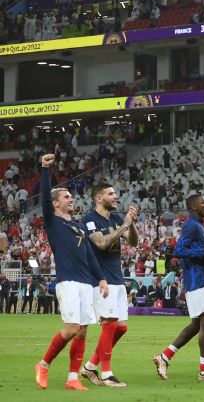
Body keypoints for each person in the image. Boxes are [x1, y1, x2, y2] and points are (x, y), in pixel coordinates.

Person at [35, 153, 109, 391]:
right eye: (66, 197)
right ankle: (44, 364)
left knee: (83, 330)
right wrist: (45, 171)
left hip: (87, 283)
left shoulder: (77, 226)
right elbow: (45, 198)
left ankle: (72, 378)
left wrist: (101, 279)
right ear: (56, 203)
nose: (71, 199)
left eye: (71, 196)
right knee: (71, 329)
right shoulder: (52, 221)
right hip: (68, 281)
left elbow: (89, 256)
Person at [153, 194, 204, 382]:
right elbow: (178, 251)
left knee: (196, 325)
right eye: (203, 202)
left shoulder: (199, 225)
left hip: (200, 278)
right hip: (196, 279)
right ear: (193, 207)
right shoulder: (192, 225)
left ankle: (164, 357)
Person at [80, 183, 139, 387]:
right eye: (111, 193)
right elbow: (102, 243)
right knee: (110, 324)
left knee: (121, 328)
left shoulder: (115, 219)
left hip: (117, 278)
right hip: (100, 279)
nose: (116, 197)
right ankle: (106, 374)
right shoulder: (88, 220)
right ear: (98, 198)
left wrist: (130, 224)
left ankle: (89, 366)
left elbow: (133, 242)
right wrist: (124, 224)